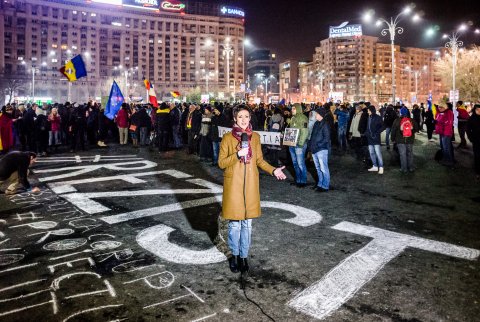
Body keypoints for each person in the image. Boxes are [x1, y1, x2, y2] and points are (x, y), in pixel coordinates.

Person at [218, 105, 286, 274]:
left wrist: (273, 170)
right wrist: (237, 155)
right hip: (234, 186)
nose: (243, 119)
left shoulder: (255, 137)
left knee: (247, 225)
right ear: (235, 118)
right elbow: (221, 163)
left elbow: (260, 161)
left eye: (246, 116)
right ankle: (234, 255)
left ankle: (243, 256)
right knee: (234, 225)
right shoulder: (227, 138)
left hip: (250, 187)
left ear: (250, 118)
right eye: (240, 116)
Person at [391, 107, 419, 173]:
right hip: (410, 140)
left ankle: (404, 169)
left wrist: (392, 139)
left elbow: (393, 131)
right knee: (410, 153)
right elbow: (417, 129)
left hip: (400, 141)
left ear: (400, 113)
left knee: (402, 154)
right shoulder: (412, 120)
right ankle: (411, 167)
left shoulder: (397, 120)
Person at [309, 106, 331, 192]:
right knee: (318, 168)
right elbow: (313, 135)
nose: (315, 115)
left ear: (321, 115)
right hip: (315, 149)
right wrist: (311, 144)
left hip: (321, 149)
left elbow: (327, 138)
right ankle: (320, 184)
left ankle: (325, 186)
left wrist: (318, 144)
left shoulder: (325, 124)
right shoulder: (316, 123)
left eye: (317, 114)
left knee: (323, 168)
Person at [287, 103, 309, 187]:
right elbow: (291, 130)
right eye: (292, 108)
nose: (292, 110)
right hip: (292, 143)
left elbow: (304, 132)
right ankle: (298, 179)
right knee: (295, 163)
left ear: (298, 109)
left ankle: (303, 181)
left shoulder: (303, 118)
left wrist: (300, 143)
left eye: (294, 108)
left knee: (300, 163)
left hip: (299, 144)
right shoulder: (293, 118)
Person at [366, 106, 385, 174]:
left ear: (371, 110)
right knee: (371, 153)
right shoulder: (369, 117)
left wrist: (377, 133)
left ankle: (381, 167)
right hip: (370, 138)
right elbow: (368, 127)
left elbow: (383, 126)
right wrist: (367, 133)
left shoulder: (378, 117)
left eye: (368, 110)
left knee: (378, 153)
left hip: (376, 138)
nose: (368, 111)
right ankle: (375, 166)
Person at [467, 104, 480, 180]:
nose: (479, 111)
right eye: (478, 110)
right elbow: (468, 130)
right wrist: (471, 138)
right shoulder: (471, 118)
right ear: (475, 110)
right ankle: (478, 172)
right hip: (476, 140)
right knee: (477, 156)